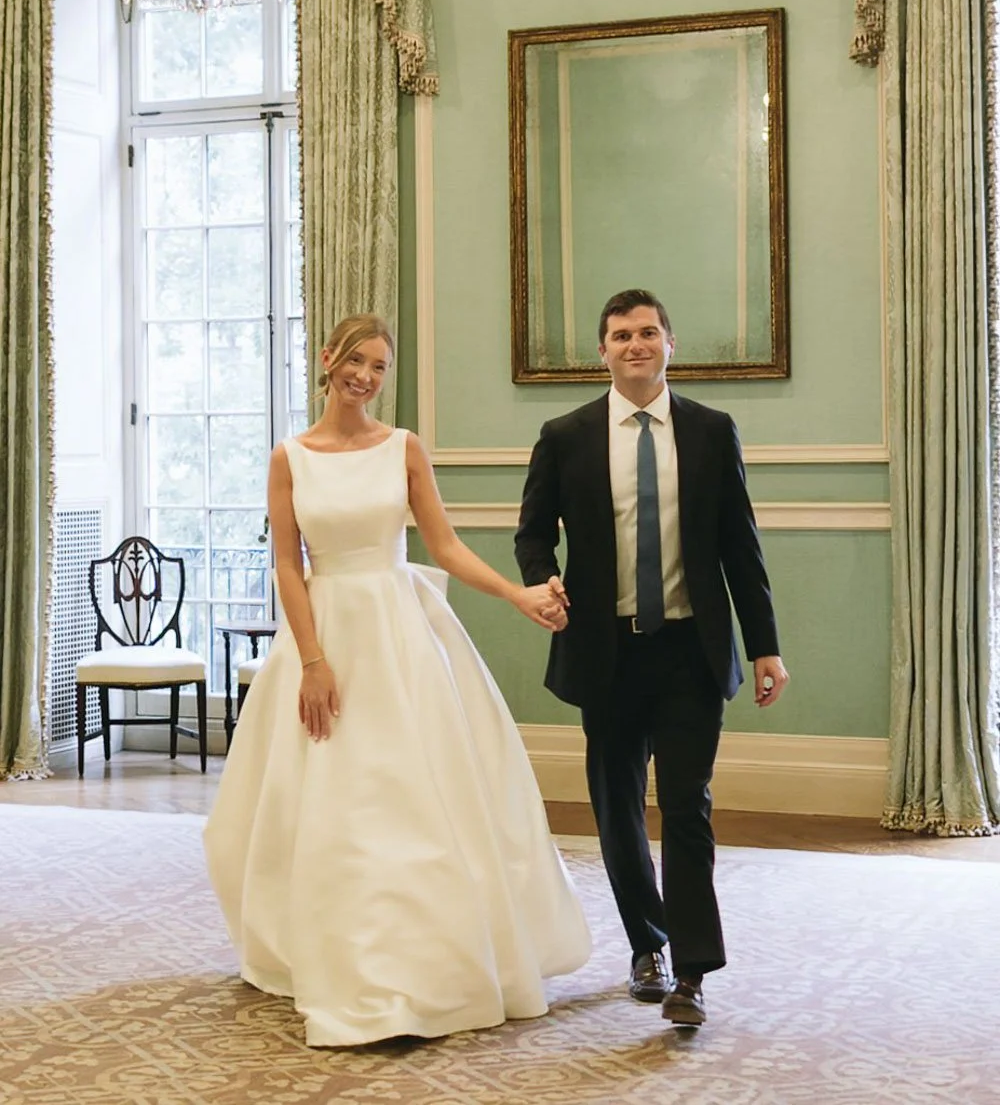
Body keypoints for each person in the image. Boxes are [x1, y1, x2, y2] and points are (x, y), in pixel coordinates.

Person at [204, 315, 591, 1048]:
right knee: (328, 796)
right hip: (326, 636)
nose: (367, 377)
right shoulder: (290, 457)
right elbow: (289, 563)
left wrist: (516, 595)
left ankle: (425, 954)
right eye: (357, 361)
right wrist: (313, 661)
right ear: (328, 360)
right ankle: (330, 944)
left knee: (414, 794)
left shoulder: (403, 449)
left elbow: (442, 545)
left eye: (380, 367)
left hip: (399, 633)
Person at [514, 288, 788, 1028]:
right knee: (617, 809)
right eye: (619, 335)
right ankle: (647, 945)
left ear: (670, 343)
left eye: (647, 332)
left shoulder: (709, 431)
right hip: (605, 651)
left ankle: (693, 973)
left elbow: (742, 548)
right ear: (601, 351)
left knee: (688, 806)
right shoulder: (565, 435)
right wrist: (542, 579)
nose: (634, 344)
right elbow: (533, 531)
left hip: (689, 650)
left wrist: (764, 646)